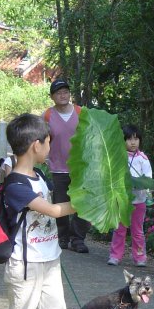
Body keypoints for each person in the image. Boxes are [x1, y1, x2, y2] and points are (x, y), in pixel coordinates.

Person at [3, 113, 76, 309]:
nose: (50, 148)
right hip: (24, 263)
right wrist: (87, 202)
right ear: (36, 145)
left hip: (50, 258)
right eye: (48, 143)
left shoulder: (40, 175)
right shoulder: (16, 185)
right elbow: (55, 210)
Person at [42, 78, 91, 253]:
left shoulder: (81, 112)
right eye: (58, 93)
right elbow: (42, 138)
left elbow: (91, 137)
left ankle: (78, 239)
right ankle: (61, 237)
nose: (62, 95)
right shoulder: (47, 115)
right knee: (60, 203)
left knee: (82, 203)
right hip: (58, 167)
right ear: (52, 96)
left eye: (65, 92)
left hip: (81, 168)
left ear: (69, 94)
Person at [108, 124, 153, 267]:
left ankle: (140, 257)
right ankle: (115, 256)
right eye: (129, 139)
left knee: (138, 230)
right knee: (119, 229)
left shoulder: (143, 159)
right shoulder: (118, 157)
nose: (133, 142)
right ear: (123, 141)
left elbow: (148, 178)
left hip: (139, 200)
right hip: (122, 200)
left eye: (136, 139)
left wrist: (146, 190)